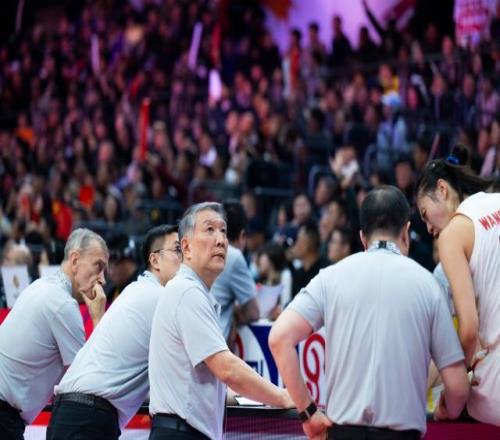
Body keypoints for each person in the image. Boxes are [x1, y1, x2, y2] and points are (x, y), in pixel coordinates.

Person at [270, 186, 469, 440]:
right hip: (401, 436)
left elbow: (279, 338)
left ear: (363, 238)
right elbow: (458, 387)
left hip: (342, 434)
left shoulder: (330, 277)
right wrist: (448, 408)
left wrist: (308, 413)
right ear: (406, 232)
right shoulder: (429, 285)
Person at [148, 202, 292, 440]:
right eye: (210, 230)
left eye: (223, 231)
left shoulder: (196, 292)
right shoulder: (187, 292)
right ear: (186, 247)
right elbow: (227, 368)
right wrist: (281, 396)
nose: (221, 240)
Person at [46, 225, 181, 440]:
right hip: (88, 417)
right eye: (177, 250)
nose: (185, 258)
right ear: (155, 261)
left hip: (70, 412)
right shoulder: (161, 299)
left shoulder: (134, 291)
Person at [416, 148, 500, 426]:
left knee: (452, 407)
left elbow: (469, 330)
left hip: (496, 387)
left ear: (442, 189)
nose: (428, 229)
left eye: (425, 215)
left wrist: (454, 393)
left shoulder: (452, 234)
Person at [0, 228, 108, 440]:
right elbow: (89, 380)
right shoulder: (62, 304)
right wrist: (97, 318)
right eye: (98, 266)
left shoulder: (40, 286)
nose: (102, 279)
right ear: (75, 260)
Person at [211, 200, 259, 344]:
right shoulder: (233, 256)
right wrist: (235, 313)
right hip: (211, 348)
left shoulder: (201, 249)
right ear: (242, 235)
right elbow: (253, 312)